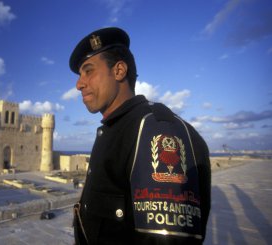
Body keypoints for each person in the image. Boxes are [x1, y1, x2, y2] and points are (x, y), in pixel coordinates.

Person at [69, 27, 211, 245]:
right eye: (80, 75)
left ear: (119, 71)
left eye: (88, 71)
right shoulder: (115, 129)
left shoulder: (156, 130)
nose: (79, 84)